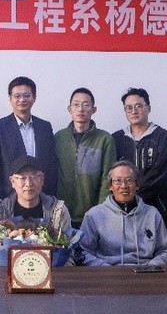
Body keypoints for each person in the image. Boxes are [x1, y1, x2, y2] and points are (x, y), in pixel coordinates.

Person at [0, 155, 72, 266]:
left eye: (34, 176)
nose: (28, 183)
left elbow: (69, 256)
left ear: (42, 179)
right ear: (12, 182)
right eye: (22, 178)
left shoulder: (58, 211)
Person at [79, 161, 167, 266]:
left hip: (145, 271)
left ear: (137, 185)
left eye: (129, 180)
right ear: (110, 186)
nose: (124, 186)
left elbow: (164, 251)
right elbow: (83, 251)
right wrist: (103, 268)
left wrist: (151, 267)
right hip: (107, 272)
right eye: (118, 181)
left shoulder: (152, 214)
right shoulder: (94, 215)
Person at [0, 76, 58, 206]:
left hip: (42, 199)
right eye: (17, 96)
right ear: (10, 98)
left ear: (34, 97)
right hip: (10, 200)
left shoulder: (45, 127)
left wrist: (51, 199)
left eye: (26, 96)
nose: (22, 100)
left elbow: (51, 166)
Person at [111, 87, 167, 228]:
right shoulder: (116, 138)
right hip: (123, 210)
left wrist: (133, 195)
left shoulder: (162, 136)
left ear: (148, 108)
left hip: (156, 208)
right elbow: (111, 174)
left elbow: (161, 173)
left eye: (138, 106)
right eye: (129, 108)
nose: (134, 111)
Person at [54, 87, 116, 228]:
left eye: (86, 105)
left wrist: (101, 211)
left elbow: (108, 178)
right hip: (61, 213)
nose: (80, 109)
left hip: (92, 215)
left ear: (94, 110)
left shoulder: (104, 139)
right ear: (69, 109)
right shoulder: (59, 137)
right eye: (76, 104)